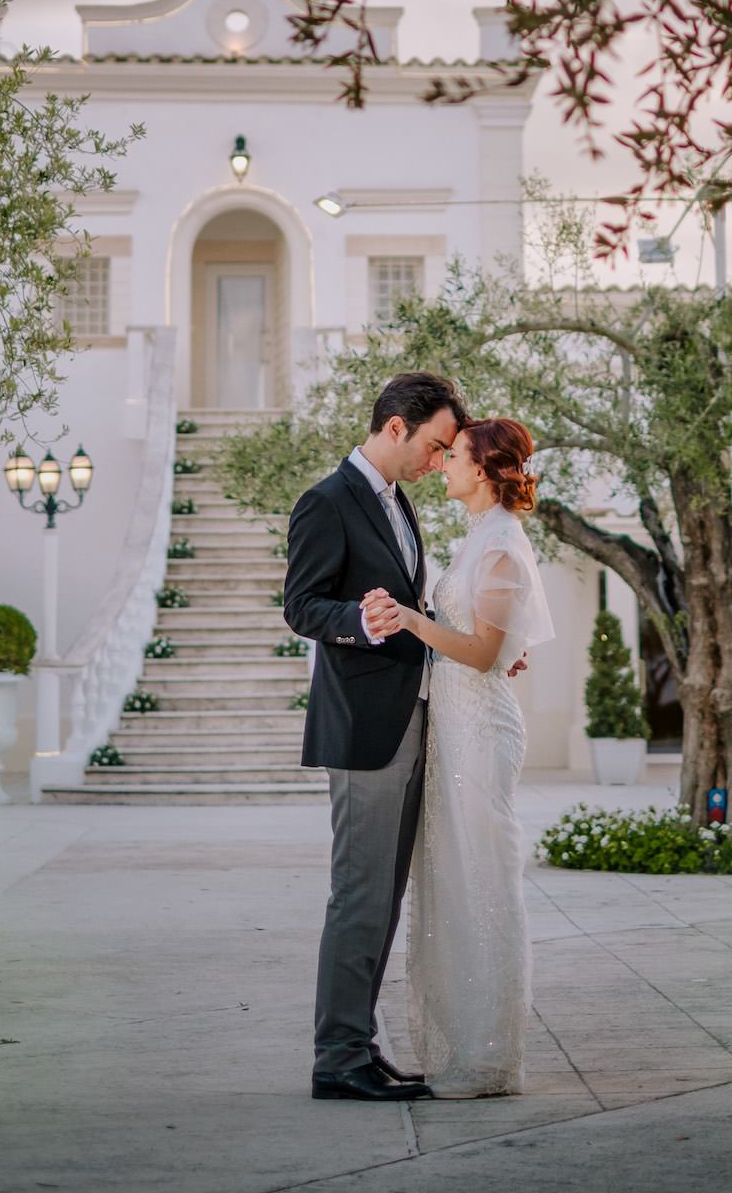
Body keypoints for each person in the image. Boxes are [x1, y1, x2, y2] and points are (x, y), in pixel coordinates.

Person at [283, 370, 468, 1104]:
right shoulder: (326, 502)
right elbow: (302, 605)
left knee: (384, 895)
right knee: (359, 893)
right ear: (396, 427)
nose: (438, 460)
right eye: (434, 445)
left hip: (410, 717)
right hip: (364, 727)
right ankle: (337, 1059)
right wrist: (358, 623)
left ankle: (358, 1044)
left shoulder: (400, 504)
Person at [363, 416, 554, 1098]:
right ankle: (472, 1043)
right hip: (459, 728)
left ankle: (492, 1052)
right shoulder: (483, 540)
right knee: (456, 878)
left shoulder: (500, 545)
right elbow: (496, 642)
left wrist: (412, 619)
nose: (441, 463)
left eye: (454, 456)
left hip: (481, 733)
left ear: (482, 469)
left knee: (484, 881)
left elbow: (479, 651)